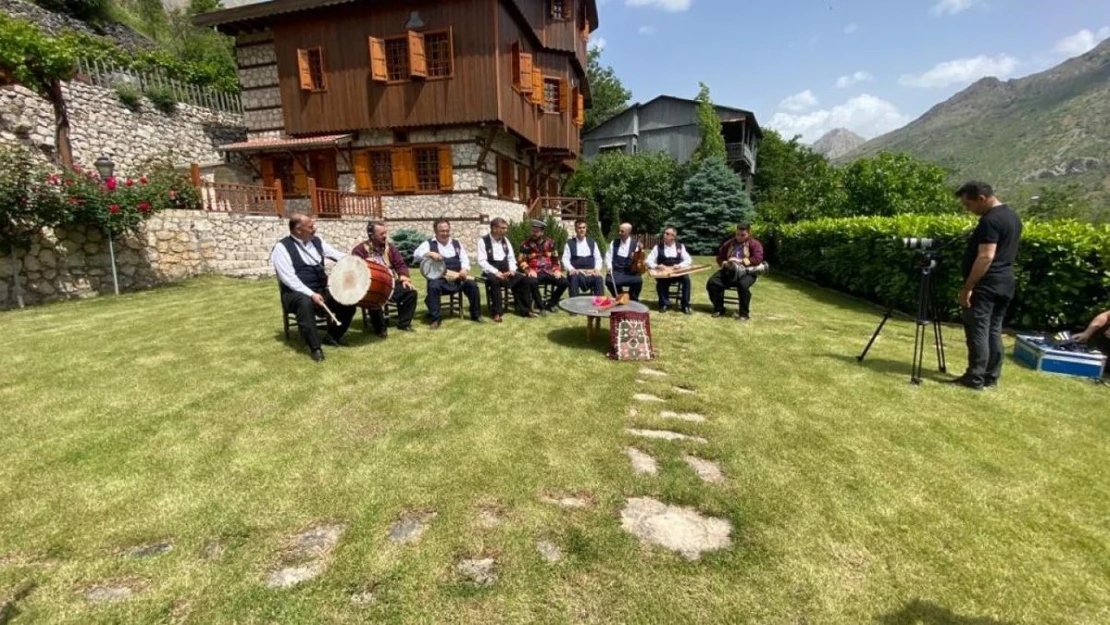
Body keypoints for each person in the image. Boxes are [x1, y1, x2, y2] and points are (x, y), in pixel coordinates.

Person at [950, 181, 1023, 390]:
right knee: (993, 330)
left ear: (981, 198)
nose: (968, 210)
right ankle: (991, 376)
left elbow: (986, 257)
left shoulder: (990, 221)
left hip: (987, 284)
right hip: (1005, 282)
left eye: (968, 205)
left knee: (978, 329)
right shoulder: (1012, 217)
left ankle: (975, 377)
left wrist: (968, 287)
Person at [270, 212, 356, 362]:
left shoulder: (316, 241)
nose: (314, 229)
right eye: (310, 227)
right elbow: (289, 279)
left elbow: (336, 254)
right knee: (305, 303)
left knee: (348, 300)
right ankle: (315, 348)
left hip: (321, 290)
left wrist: (355, 260)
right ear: (298, 230)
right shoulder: (281, 248)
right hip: (295, 293)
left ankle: (333, 336)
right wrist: (311, 294)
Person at [351, 221, 418, 337]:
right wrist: (365, 264)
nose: (385, 236)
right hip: (370, 287)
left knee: (410, 292)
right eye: (381, 234)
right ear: (372, 235)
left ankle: (404, 323)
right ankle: (380, 329)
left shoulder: (390, 248)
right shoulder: (359, 250)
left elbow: (400, 264)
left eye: (385, 233)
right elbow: (354, 271)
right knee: (374, 299)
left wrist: (404, 278)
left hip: (389, 284)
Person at [412, 218, 482, 329]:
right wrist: (429, 253)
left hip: (457, 278)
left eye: (447, 230)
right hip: (440, 279)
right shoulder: (429, 243)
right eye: (442, 231)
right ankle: (435, 319)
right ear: (436, 231)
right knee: (433, 286)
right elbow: (416, 255)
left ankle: (476, 314)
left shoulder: (456, 243)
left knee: (472, 285)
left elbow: (464, 260)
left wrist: (464, 270)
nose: (445, 233)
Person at [477, 217, 532, 322]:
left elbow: (511, 258)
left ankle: (524, 310)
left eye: (506, 228)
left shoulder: (506, 240)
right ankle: (497, 312)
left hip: (506, 270)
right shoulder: (483, 241)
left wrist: (511, 270)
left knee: (524, 280)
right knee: (494, 281)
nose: (505, 230)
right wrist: (496, 272)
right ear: (494, 228)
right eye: (503, 228)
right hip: (491, 272)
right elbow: (482, 261)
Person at [707, 222, 765, 320]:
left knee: (742, 285)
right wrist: (724, 263)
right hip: (730, 271)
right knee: (712, 283)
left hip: (748, 272)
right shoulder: (729, 243)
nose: (739, 237)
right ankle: (719, 308)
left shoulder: (755, 244)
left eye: (743, 235)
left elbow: (757, 259)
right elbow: (720, 257)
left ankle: (744, 314)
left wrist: (740, 260)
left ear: (749, 233)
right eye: (737, 234)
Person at [517, 219, 569, 313]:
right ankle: (541, 307)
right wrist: (528, 270)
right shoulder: (525, 244)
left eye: (536, 231)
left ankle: (550, 304)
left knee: (564, 282)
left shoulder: (550, 243)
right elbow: (521, 260)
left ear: (542, 232)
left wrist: (557, 270)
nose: (534, 233)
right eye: (532, 230)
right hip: (534, 271)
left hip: (549, 271)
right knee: (531, 282)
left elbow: (555, 258)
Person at [646, 226, 693, 314]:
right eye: (665, 233)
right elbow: (648, 260)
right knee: (660, 282)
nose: (664, 235)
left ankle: (685, 305)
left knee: (686, 279)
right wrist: (657, 266)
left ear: (673, 236)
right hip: (663, 274)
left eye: (667, 234)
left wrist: (679, 265)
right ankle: (664, 304)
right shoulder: (658, 247)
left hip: (677, 273)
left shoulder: (680, 246)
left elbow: (688, 260)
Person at [562, 219, 604, 297]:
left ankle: (600, 303)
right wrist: (571, 269)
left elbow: (598, 258)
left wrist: (597, 269)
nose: (582, 230)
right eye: (579, 228)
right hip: (577, 273)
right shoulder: (569, 243)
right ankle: (574, 303)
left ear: (586, 228)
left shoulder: (592, 242)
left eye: (583, 227)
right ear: (575, 229)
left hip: (591, 272)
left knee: (599, 278)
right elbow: (565, 259)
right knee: (573, 278)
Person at [605, 222, 643, 301]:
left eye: (622, 231)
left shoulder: (635, 244)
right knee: (609, 281)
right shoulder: (614, 242)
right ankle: (620, 297)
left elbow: (639, 263)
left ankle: (633, 298)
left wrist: (635, 257)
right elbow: (608, 256)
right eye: (619, 231)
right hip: (617, 270)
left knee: (638, 281)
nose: (619, 233)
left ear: (629, 232)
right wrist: (609, 266)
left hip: (630, 271)